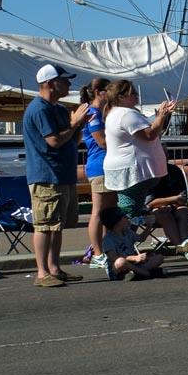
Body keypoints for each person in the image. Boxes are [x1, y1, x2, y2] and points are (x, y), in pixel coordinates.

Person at [24, 64, 93, 288]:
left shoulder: (58, 109)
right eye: (64, 81)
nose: (68, 84)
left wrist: (79, 125)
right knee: (45, 224)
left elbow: (72, 139)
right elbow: (53, 141)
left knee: (58, 224)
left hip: (62, 175)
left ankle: (54, 268)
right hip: (46, 175)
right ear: (50, 83)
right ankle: (42, 272)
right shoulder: (39, 109)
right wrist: (73, 124)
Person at [102, 80, 175, 224]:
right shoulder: (125, 114)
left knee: (130, 210)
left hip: (131, 171)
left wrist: (161, 118)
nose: (136, 95)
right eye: (132, 93)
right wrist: (160, 116)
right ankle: (123, 242)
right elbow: (149, 135)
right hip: (132, 172)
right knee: (129, 213)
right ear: (121, 97)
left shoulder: (119, 113)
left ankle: (126, 240)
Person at [79, 78, 113, 269]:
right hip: (99, 166)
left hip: (107, 166)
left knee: (109, 212)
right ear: (99, 91)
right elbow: (101, 141)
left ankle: (108, 247)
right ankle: (97, 252)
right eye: (108, 90)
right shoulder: (93, 114)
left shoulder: (101, 113)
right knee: (98, 211)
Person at [97, 206, 164, 281]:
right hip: (118, 269)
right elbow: (113, 257)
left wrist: (149, 226)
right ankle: (147, 273)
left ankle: (135, 274)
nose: (128, 219)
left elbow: (141, 238)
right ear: (117, 222)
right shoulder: (108, 239)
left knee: (159, 257)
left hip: (134, 264)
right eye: (125, 217)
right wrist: (134, 258)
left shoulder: (127, 232)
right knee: (120, 262)